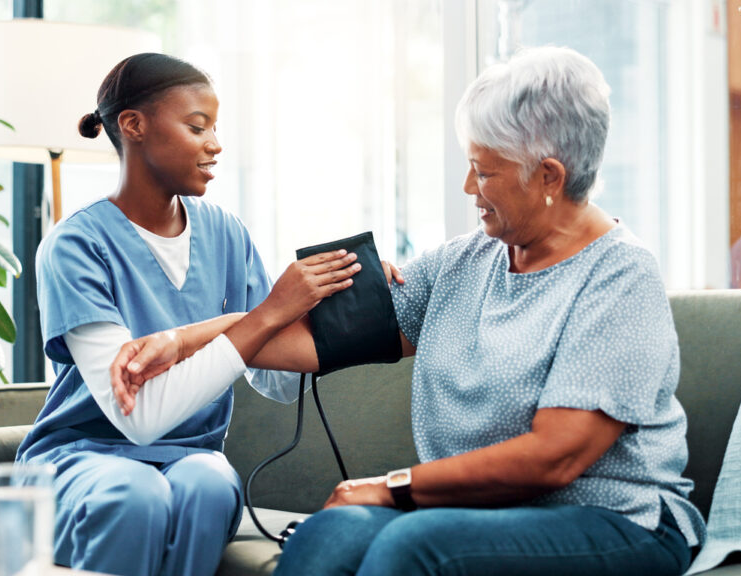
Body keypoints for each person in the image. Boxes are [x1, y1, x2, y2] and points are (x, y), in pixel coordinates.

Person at [111, 46, 704, 576]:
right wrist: (182, 340)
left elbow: (557, 455)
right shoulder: (464, 264)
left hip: (616, 522)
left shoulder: (618, 277)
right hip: (472, 515)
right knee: (326, 537)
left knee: (417, 546)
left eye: (486, 170)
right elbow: (315, 338)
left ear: (549, 176)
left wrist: (390, 488)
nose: (471, 188)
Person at [15, 52, 360, 576]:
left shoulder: (226, 232)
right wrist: (268, 313)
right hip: (82, 458)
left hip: (192, 457)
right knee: (133, 495)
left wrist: (335, 300)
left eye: (216, 128)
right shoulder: (74, 245)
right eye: (197, 127)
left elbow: (278, 381)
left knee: (206, 484)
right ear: (133, 125)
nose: (216, 145)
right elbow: (141, 420)